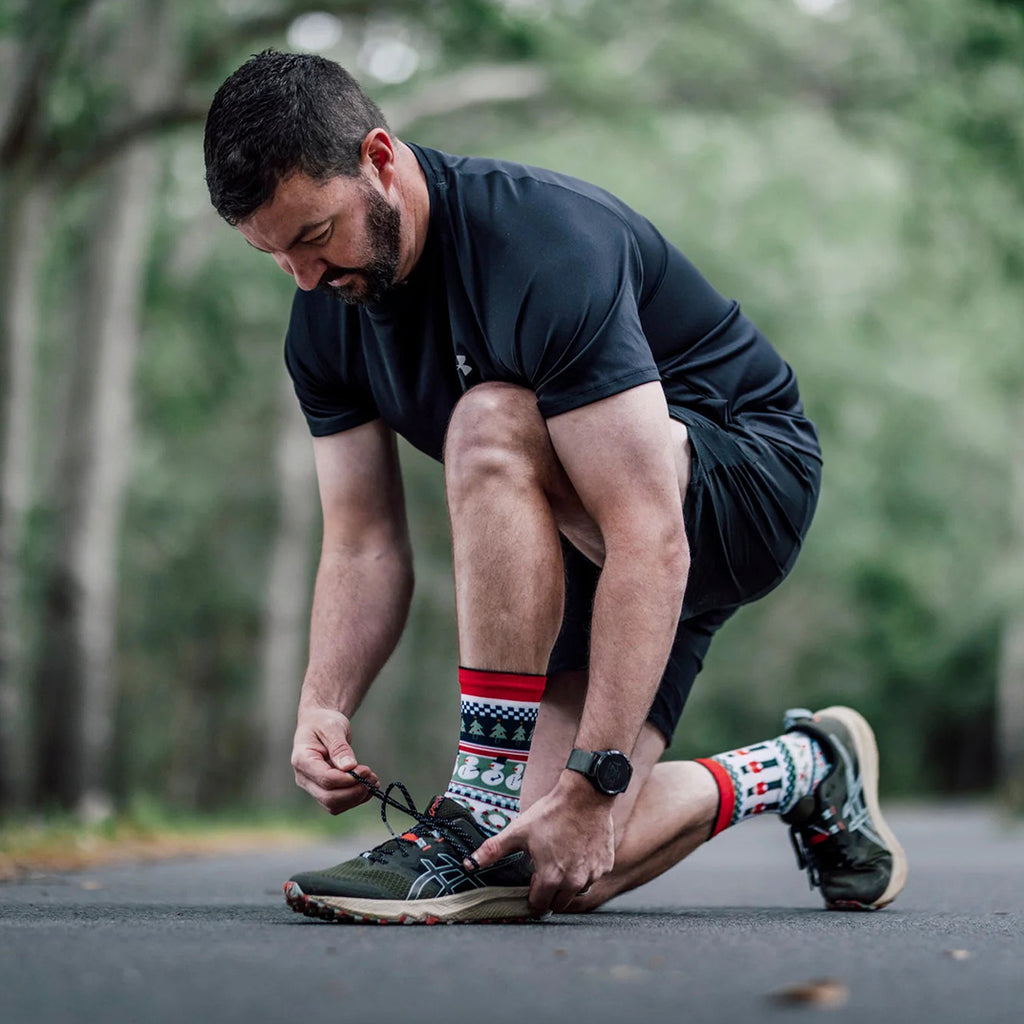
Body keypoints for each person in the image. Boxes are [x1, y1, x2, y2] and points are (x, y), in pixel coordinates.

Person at [203, 51, 907, 924]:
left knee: (490, 419)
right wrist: (322, 702)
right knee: (545, 863)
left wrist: (597, 773)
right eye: (274, 256)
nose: (306, 277)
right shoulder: (325, 321)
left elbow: (650, 536)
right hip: (594, 534)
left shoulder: (538, 245)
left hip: (739, 485)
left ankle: (473, 803)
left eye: (315, 236)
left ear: (380, 160)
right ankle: (808, 767)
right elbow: (365, 542)